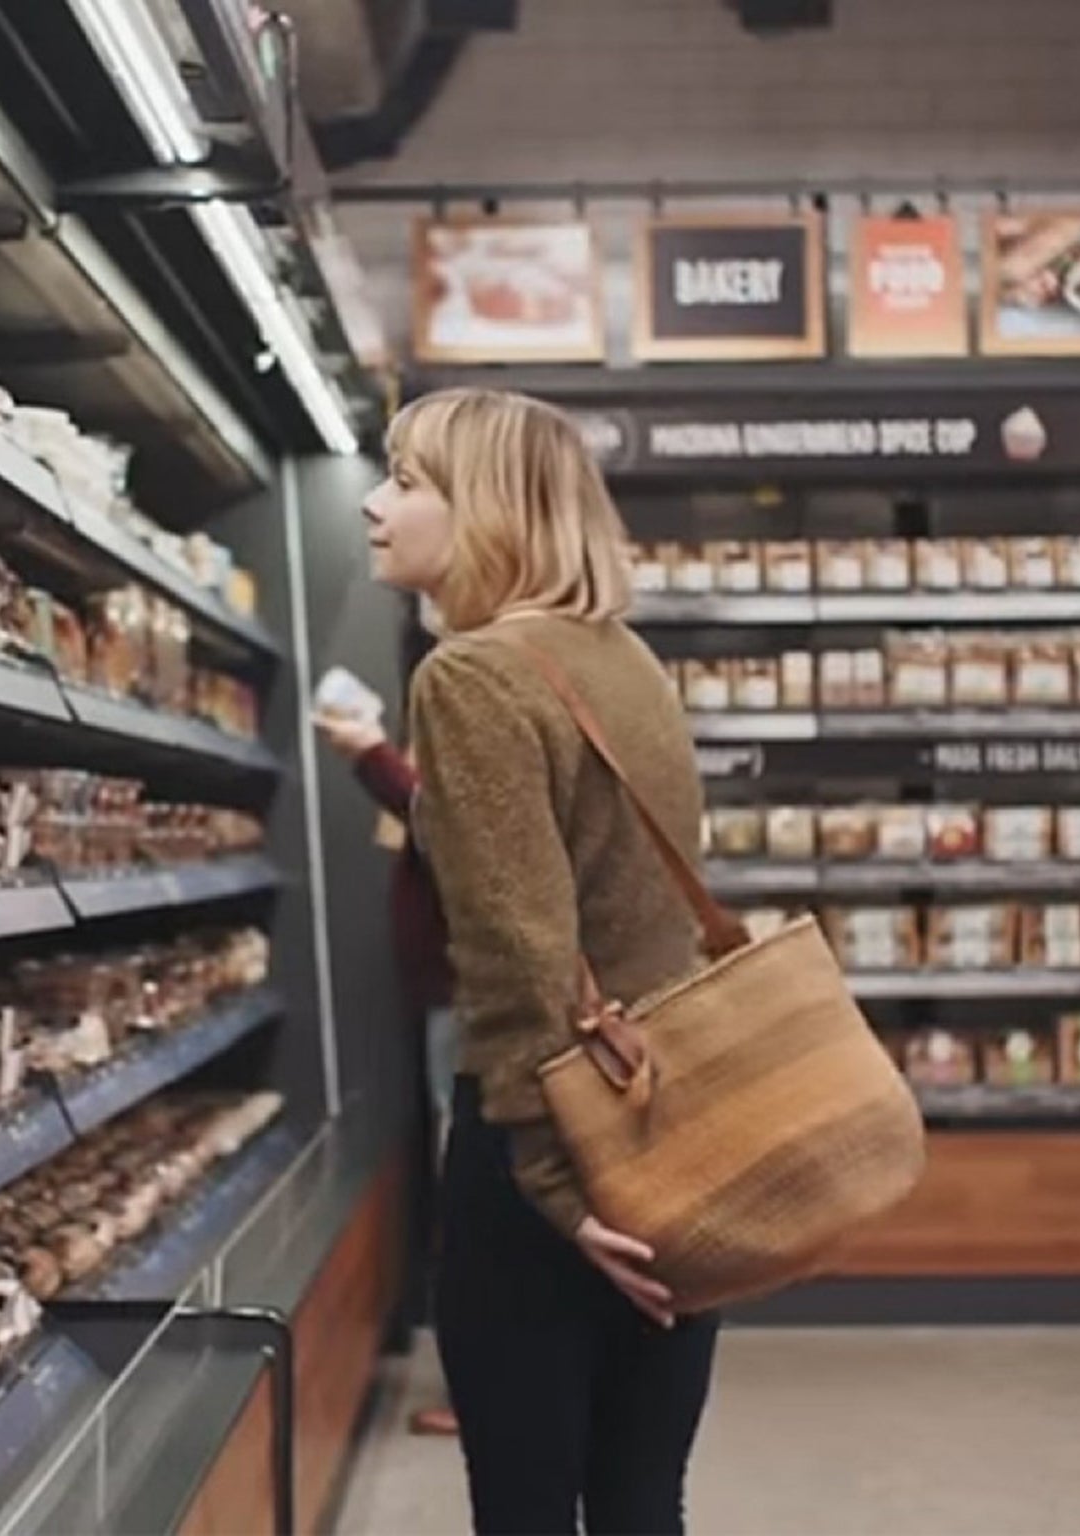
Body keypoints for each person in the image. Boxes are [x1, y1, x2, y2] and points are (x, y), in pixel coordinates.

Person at [363, 385, 719, 1535]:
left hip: (545, 1155)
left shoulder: (469, 677)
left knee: (522, 1508)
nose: (375, 504)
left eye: (406, 481)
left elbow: (519, 951)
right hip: (669, 1127)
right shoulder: (621, 662)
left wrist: (560, 1196)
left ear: (485, 509)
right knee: (638, 1497)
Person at [311, 707, 460, 1439]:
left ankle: (492, 1388)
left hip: (469, 1003)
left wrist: (374, 755)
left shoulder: (470, 688)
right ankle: (491, 1380)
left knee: (472, 1186)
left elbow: (447, 823)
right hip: (454, 1001)